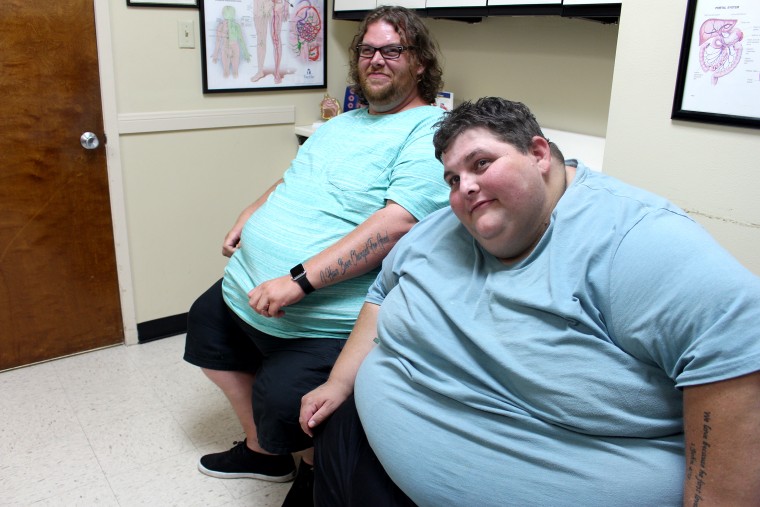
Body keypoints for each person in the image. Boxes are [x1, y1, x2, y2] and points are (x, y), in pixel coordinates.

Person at [300, 97, 760, 506]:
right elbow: (382, 293)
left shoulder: (633, 239)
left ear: (538, 154)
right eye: (453, 178)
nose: (465, 187)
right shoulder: (442, 226)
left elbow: (738, 353)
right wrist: (340, 383)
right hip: (371, 443)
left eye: (481, 163)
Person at [183, 5, 447, 506]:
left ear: (418, 63)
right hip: (249, 289)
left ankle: (313, 472)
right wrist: (251, 212)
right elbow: (296, 179)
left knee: (285, 399)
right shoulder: (340, 123)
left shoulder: (428, 130)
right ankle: (265, 454)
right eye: (367, 50)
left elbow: (397, 223)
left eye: (393, 50)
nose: (377, 60)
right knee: (207, 325)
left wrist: (298, 281)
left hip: (325, 318)